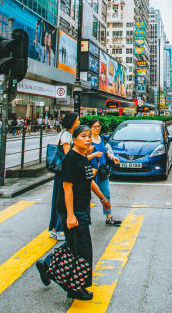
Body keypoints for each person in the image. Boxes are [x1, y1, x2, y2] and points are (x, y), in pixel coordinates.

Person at [37, 124, 112, 301]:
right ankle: (75, 288)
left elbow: (89, 180)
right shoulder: (71, 159)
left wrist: (102, 198)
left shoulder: (83, 156)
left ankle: (47, 266)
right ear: (74, 140)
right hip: (72, 209)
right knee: (83, 249)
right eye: (83, 136)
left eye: (88, 136)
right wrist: (70, 215)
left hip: (81, 208)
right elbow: (67, 188)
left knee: (75, 245)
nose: (87, 139)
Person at [49, 112, 79, 241]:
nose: (79, 122)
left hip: (65, 172)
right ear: (72, 122)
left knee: (60, 200)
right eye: (77, 120)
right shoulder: (66, 135)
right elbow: (68, 155)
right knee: (61, 201)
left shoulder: (69, 134)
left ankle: (55, 229)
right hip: (64, 173)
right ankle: (57, 229)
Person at [86, 118, 122, 226]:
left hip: (102, 172)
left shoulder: (101, 138)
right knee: (86, 197)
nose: (97, 128)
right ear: (90, 128)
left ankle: (109, 217)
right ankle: (84, 219)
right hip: (90, 172)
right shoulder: (87, 140)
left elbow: (105, 152)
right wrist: (94, 155)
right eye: (95, 127)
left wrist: (112, 157)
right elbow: (83, 157)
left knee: (106, 194)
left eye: (99, 126)